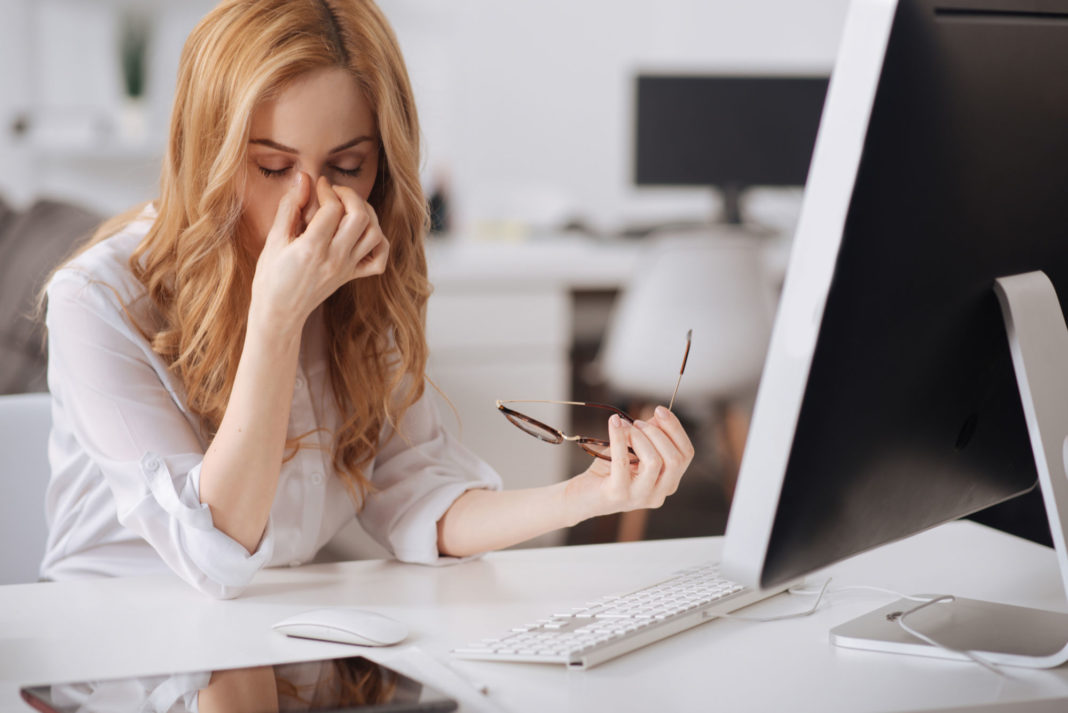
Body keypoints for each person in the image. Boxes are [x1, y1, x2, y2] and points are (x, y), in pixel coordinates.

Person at [39, 0, 694, 598]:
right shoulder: (96, 300)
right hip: (126, 649)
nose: (314, 203)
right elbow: (214, 552)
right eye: (271, 166)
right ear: (205, 154)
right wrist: (277, 319)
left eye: (347, 167)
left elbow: (423, 495)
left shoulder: (352, 281)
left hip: (275, 635)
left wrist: (585, 495)